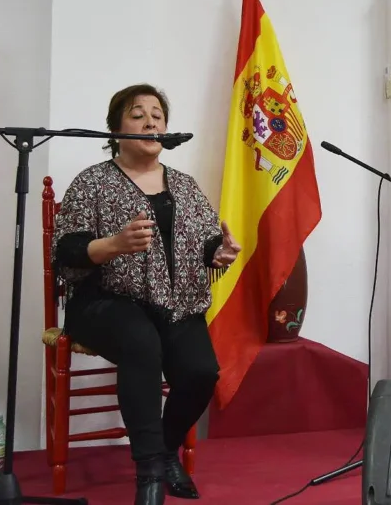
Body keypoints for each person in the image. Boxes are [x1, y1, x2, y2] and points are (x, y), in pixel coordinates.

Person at [52, 84, 241, 505]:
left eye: (157, 114)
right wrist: (113, 245)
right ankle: (151, 474)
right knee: (141, 342)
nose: (150, 121)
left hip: (175, 303)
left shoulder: (186, 186)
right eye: (137, 114)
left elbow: (206, 243)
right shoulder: (93, 182)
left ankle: (164, 449)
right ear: (115, 128)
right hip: (105, 301)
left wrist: (220, 253)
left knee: (200, 371)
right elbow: (65, 251)